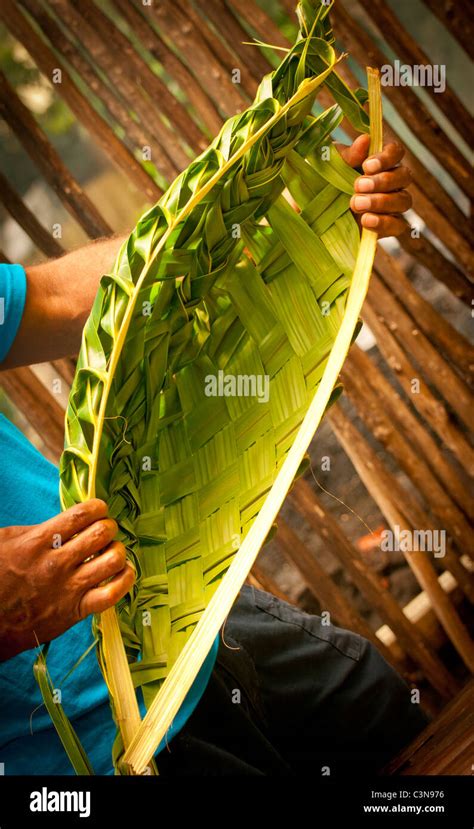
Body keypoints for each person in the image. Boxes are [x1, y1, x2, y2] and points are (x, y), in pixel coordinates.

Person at [0, 137, 426, 775]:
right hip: (84, 754)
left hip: (170, 616)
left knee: (374, 711)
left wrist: (279, 209)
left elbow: (57, 298)